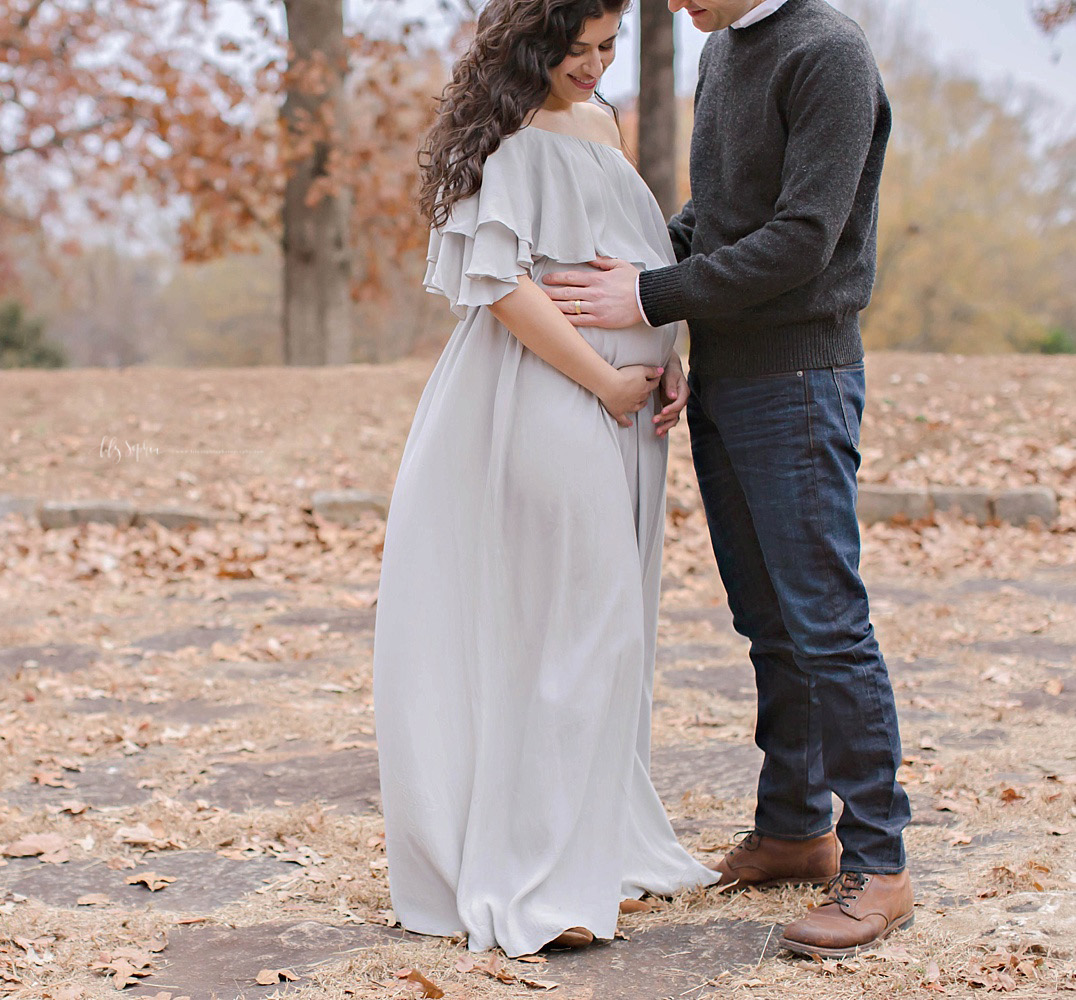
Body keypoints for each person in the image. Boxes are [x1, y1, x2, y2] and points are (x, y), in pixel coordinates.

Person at [539, 0, 915, 958]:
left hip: (799, 377)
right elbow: (719, 218)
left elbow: (802, 240)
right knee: (768, 621)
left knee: (826, 622)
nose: (672, 4)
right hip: (728, 376)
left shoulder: (827, 53)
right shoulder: (727, 50)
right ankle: (796, 828)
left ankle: (880, 863)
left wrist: (649, 292)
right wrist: (651, 314)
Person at [371, 0, 719, 960]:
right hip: (548, 396)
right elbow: (508, 285)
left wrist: (666, 353)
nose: (597, 67)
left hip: (627, 409)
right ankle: (534, 880)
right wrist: (607, 377)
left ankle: (584, 844)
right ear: (533, 44)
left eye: (609, 48)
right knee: (575, 623)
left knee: (609, 634)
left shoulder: (602, 121)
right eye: (577, 50)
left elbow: (631, 256)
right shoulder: (514, 127)